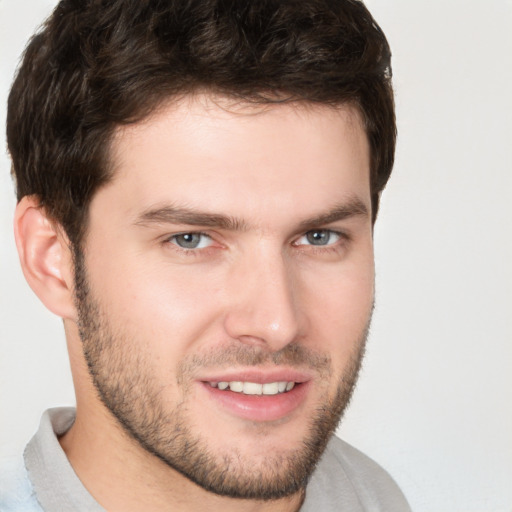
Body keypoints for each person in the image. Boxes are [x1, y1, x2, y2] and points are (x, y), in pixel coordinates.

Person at [1, 0, 411, 510]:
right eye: (190, 239)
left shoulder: (372, 496)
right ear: (52, 260)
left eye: (319, 236)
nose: (277, 323)